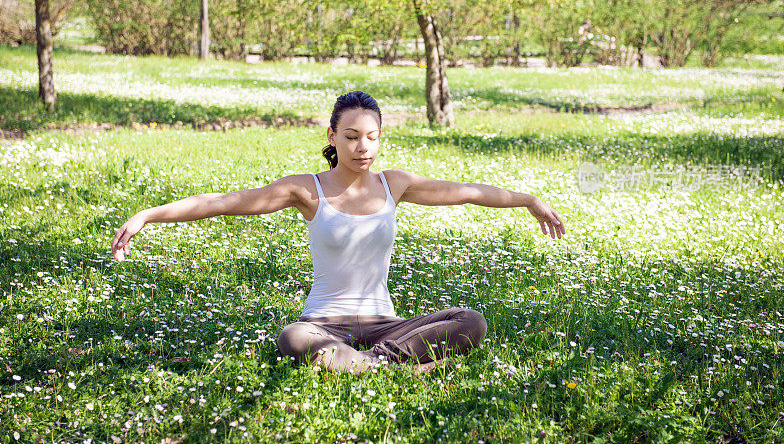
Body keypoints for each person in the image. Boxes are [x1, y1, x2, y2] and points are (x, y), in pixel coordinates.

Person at [111, 91, 566, 375]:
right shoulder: (306, 191)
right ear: (332, 136)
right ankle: (400, 369)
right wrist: (151, 214)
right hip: (324, 324)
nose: (361, 147)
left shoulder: (395, 184)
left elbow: (467, 192)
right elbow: (225, 204)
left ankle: (373, 365)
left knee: (471, 322)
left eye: (371, 136)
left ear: (380, 137)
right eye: (350, 136)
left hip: (387, 324)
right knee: (293, 338)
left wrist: (527, 200)